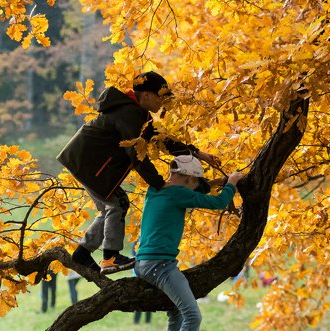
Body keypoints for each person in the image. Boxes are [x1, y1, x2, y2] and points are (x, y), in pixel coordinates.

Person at [57, 71, 221, 275]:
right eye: (161, 97)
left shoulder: (135, 113)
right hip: (88, 163)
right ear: (146, 95)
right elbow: (136, 155)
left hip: (82, 161)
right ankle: (110, 257)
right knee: (117, 204)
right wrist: (159, 183)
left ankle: (82, 254)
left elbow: (160, 140)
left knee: (111, 207)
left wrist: (197, 152)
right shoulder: (130, 114)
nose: (163, 102)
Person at [135, 155, 243, 331]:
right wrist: (232, 183)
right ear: (186, 179)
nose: (196, 188)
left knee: (176, 312)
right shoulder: (179, 194)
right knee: (192, 314)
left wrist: (215, 180)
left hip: (143, 263)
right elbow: (217, 202)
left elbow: (200, 188)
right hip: (159, 265)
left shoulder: (156, 189)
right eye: (194, 183)